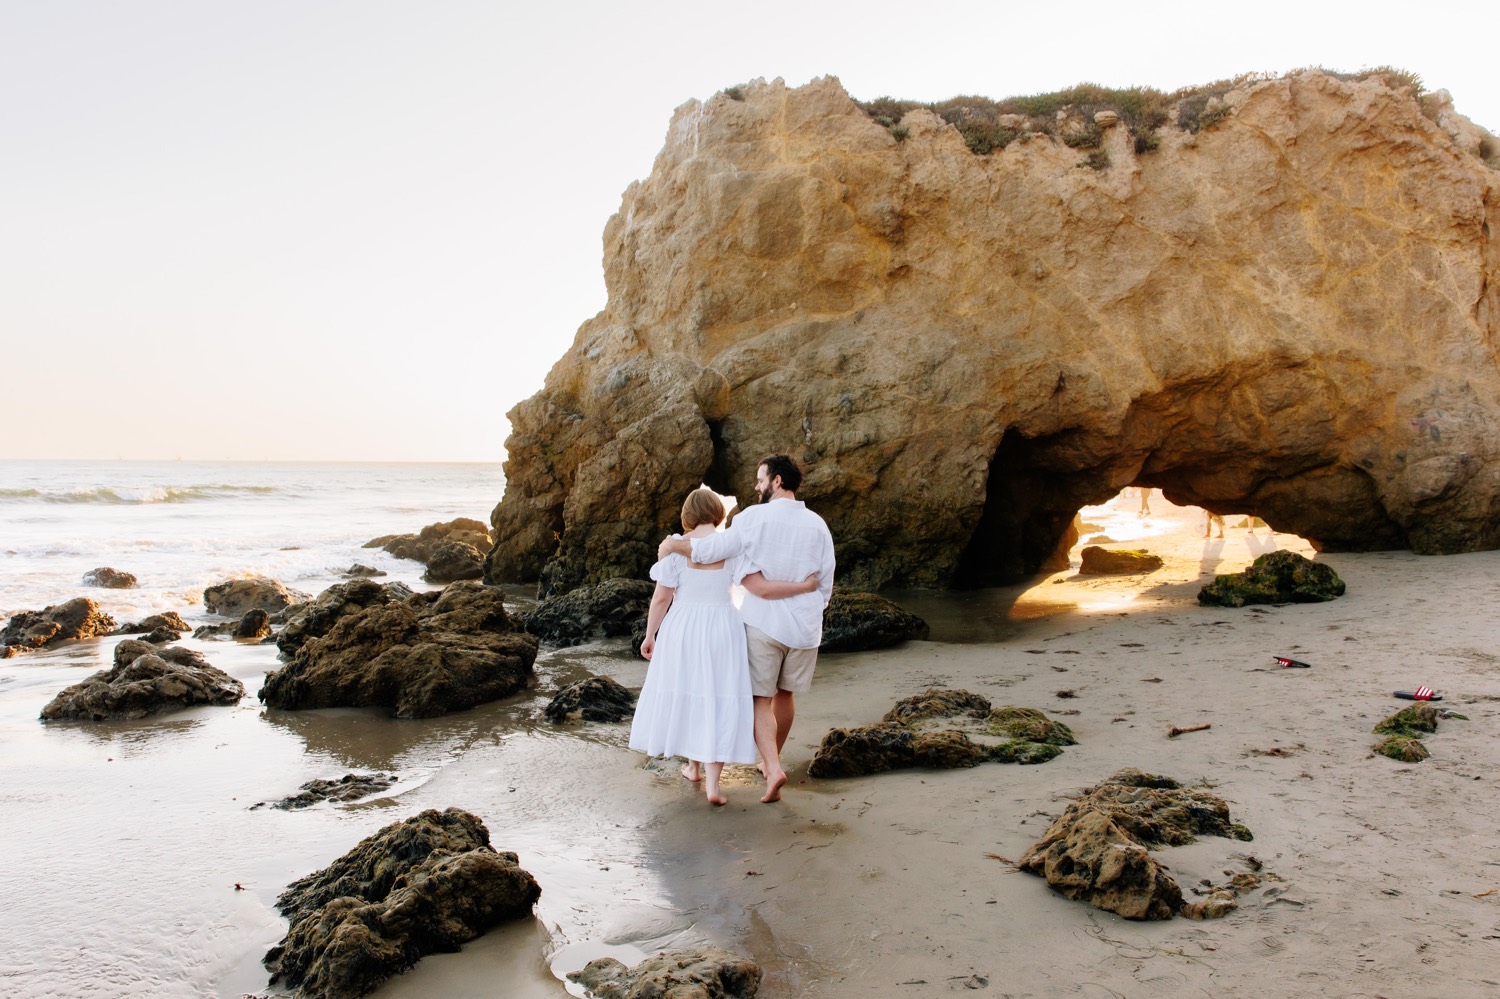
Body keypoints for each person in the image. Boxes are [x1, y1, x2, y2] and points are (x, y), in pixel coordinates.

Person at [658, 454, 835, 803]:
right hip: (805, 630)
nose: (756, 487)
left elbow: (713, 550)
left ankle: (771, 766)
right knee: (786, 696)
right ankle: (772, 761)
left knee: (760, 700)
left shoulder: (754, 518)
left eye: (760, 479)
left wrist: (673, 544)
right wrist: (810, 608)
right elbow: (825, 580)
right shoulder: (818, 524)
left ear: (777, 481)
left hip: (765, 623)